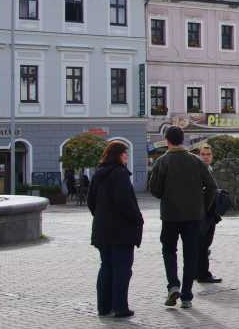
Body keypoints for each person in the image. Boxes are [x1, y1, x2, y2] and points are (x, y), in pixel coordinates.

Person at [148, 126, 216, 309]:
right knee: (191, 255)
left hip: (170, 215)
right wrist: (203, 207)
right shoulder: (196, 161)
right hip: (193, 216)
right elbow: (211, 187)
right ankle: (186, 295)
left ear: (167, 140)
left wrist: (167, 194)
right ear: (183, 139)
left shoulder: (162, 162)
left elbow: (154, 189)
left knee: (169, 250)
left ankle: (173, 285)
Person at [88, 140, 144, 318]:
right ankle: (120, 307)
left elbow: (91, 201)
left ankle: (104, 307)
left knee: (106, 267)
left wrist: (101, 216)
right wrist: (137, 219)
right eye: (124, 153)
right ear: (117, 155)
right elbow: (125, 202)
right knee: (122, 269)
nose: (126, 156)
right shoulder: (120, 174)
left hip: (102, 229)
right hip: (121, 231)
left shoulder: (99, 173)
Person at [195, 144, 223, 284]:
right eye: (203, 154)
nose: (206, 157)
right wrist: (205, 208)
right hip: (203, 213)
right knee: (203, 244)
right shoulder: (198, 170)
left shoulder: (209, 169)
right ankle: (203, 274)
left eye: (208, 154)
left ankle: (197, 272)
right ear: (198, 155)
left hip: (209, 213)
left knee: (203, 244)